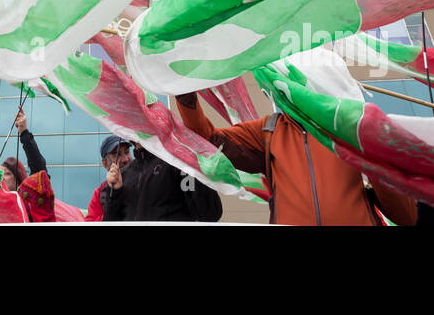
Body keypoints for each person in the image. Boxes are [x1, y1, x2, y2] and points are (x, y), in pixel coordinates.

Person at [175, 91, 415, 226]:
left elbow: (406, 217)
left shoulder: (355, 129)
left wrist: (376, 159)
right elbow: (208, 142)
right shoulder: (270, 130)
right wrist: (185, 96)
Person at [98, 139, 223, 223]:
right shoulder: (121, 177)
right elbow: (110, 222)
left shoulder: (176, 162)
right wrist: (115, 192)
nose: (124, 158)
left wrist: (195, 165)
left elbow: (210, 214)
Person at [0, 107, 57, 222]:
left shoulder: (28, 201)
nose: (2, 177)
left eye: (7, 173)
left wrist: (24, 133)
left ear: (19, 180)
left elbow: (39, 170)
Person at [86, 135, 131, 221]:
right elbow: (90, 222)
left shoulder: (142, 181)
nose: (125, 159)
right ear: (105, 164)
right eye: (117, 155)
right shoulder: (100, 193)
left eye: (127, 152)